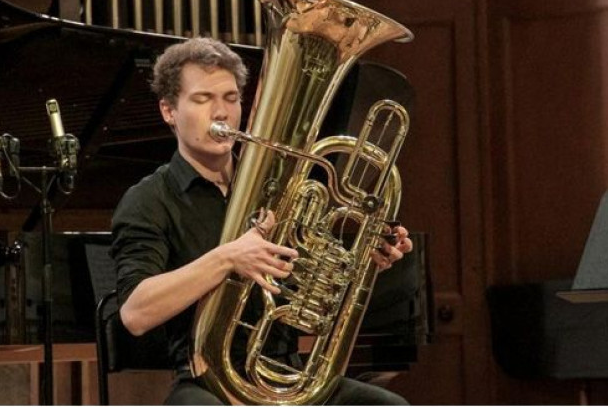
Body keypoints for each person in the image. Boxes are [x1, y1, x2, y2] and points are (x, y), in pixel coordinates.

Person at [110, 37, 413, 405]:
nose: (221, 113)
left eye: (231, 98)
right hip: (207, 382)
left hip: (289, 375)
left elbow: (308, 277)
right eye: (203, 99)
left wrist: (365, 257)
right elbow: (135, 314)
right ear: (168, 111)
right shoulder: (148, 200)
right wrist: (228, 258)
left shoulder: (278, 185)